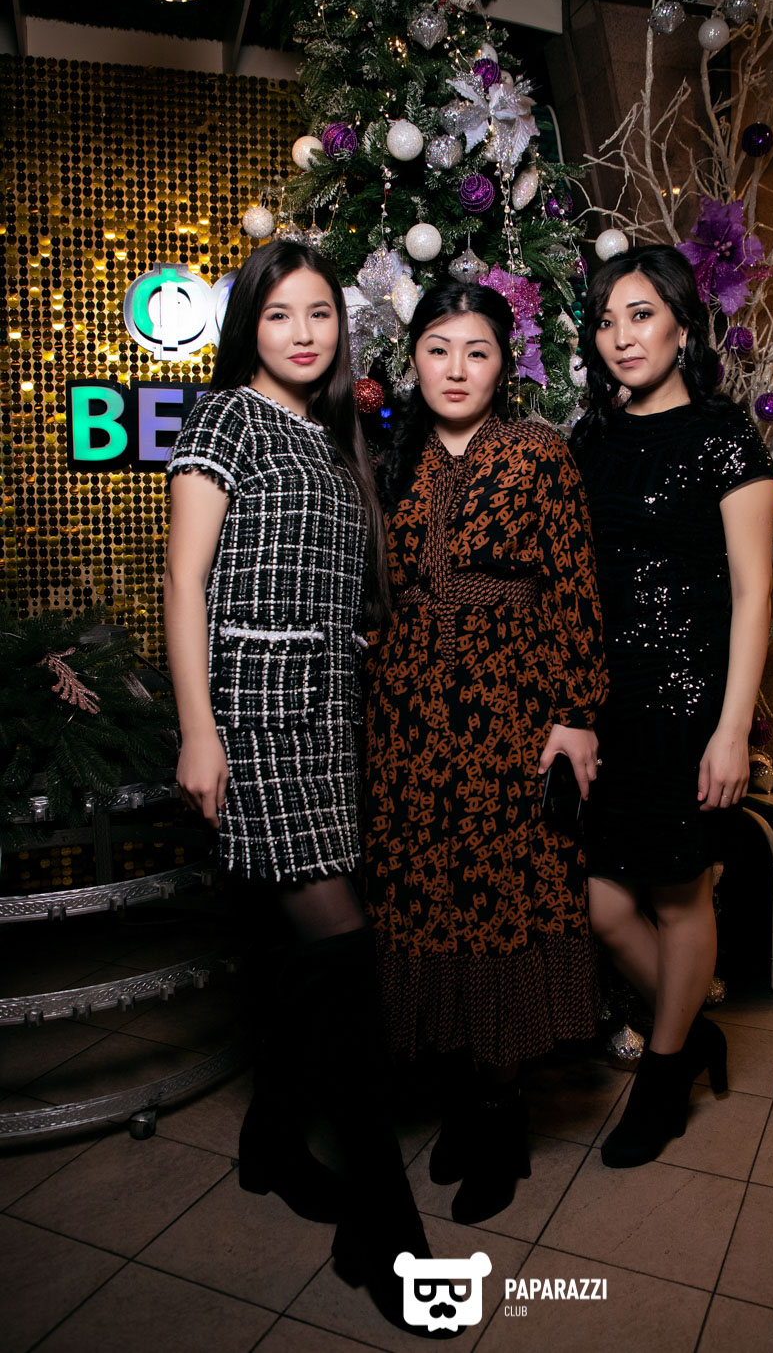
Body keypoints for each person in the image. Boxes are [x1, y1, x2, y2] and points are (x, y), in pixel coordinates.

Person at [163, 240, 433, 1335]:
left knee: (288, 961)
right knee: (345, 954)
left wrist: (352, 647)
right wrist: (199, 731)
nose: (303, 332)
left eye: (319, 312)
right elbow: (184, 580)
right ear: (251, 329)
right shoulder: (225, 420)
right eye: (279, 314)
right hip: (253, 726)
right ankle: (385, 1229)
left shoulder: (330, 438)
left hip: (327, 722)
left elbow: (326, 584)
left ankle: (271, 1141)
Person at [365, 280, 607, 1224]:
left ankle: (503, 1118)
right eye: (438, 349)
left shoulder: (541, 454)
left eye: (477, 351)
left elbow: (576, 590)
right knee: (430, 897)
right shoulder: (390, 455)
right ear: (413, 359)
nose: (456, 369)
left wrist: (576, 714)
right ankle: (463, 1100)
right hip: (409, 719)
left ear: (506, 364)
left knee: (500, 901)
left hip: (512, 714)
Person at [571, 243, 773, 1168]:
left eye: (641, 314)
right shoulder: (590, 440)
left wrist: (732, 730)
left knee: (680, 894)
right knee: (600, 903)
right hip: (605, 707)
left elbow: (754, 594)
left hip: (690, 704)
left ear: (683, 325)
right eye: (606, 320)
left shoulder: (726, 437)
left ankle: (660, 1081)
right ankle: (688, 1037)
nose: (622, 336)